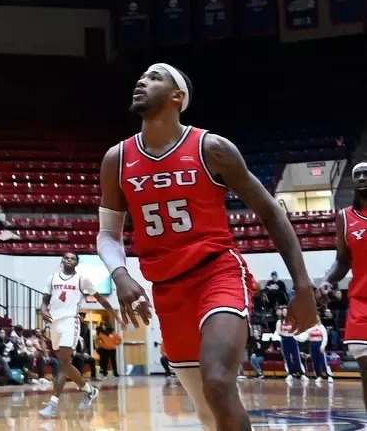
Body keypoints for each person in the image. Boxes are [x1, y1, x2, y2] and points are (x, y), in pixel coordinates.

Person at [96, 63, 318, 431]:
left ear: (177, 97)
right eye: (142, 76)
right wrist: (120, 275)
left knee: (217, 381)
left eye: (155, 78)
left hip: (218, 271)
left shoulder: (211, 148)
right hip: (167, 287)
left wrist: (303, 285)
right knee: (207, 411)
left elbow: (270, 212)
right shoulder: (116, 159)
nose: (141, 81)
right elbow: (108, 234)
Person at [37, 252, 113, 418]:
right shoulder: (52, 278)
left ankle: (52, 403)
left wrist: (113, 312)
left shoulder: (81, 279)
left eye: (73, 258)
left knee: (64, 362)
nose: (69, 260)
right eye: (66, 258)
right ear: (62, 261)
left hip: (70, 321)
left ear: (76, 263)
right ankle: (89, 390)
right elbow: (45, 300)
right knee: (64, 363)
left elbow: (99, 297)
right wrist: (43, 309)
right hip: (54, 323)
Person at [323, 161, 367, 399]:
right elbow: (342, 260)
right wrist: (327, 281)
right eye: (357, 174)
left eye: (366, 174)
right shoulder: (345, 217)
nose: (362, 178)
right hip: (362, 303)